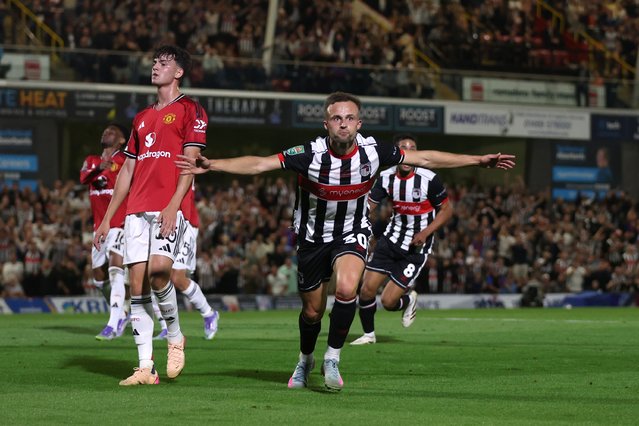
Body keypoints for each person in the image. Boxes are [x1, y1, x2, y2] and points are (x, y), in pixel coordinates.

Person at [176, 91, 515, 392]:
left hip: (352, 232)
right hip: (311, 239)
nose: (343, 124)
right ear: (326, 123)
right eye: (337, 118)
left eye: (349, 118)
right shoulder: (309, 153)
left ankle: (333, 358)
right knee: (312, 312)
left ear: (359, 123)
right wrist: (214, 165)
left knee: (348, 289)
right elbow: (261, 164)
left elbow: (425, 158)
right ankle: (305, 359)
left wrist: (477, 160)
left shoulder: (373, 152)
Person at [93, 45, 208, 386]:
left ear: (179, 72)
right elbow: (127, 169)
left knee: (161, 272)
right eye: (154, 61)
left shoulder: (191, 109)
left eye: (164, 62)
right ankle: (145, 367)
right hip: (135, 211)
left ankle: (174, 336)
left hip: (168, 206)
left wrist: (174, 203)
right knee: (137, 287)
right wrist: (106, 219)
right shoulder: (141, 118)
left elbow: (189, 161)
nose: (156, 66)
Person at [350, 134, 453, 345]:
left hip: (415, 250)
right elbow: (370, 204)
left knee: (388, 302)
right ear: (397, 153)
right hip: (390, 240)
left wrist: (425, 233)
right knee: (366, 289)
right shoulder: (386, 177)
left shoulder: (429, 179)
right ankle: (369, 335)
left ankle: (408, 299)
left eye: (412, 148)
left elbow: (447, 210)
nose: (408, 153)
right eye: (403, 148)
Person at [80, 123, 131, 340]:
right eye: (104, 130)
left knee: (114, 269)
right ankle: (122, 309)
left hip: (119, 223)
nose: (106, 132)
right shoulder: (92, 160)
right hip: (99, 227)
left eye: (112, 131)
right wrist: (101, 166)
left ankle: (113, 323)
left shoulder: (126, 160)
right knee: (99, 279)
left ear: (121, 140)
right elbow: (84, 178)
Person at [154, 185, 220, 340]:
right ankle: (166, 326)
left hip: (185, 222)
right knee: (153, 274)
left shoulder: (182, 162)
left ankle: (209, 314)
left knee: (177, 278)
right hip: (160, 219)